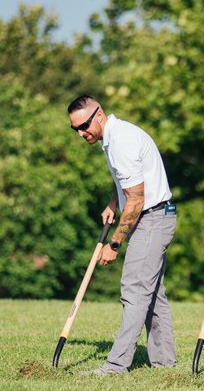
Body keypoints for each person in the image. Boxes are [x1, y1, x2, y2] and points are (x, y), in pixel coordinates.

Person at [67, 95, 177, 374]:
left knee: (134, 290)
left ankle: (116, 365)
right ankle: (165, 364)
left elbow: (138, 201)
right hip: (154, 215)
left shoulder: (121, 142)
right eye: (75, 129)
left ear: (99, 115)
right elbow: (131, 184)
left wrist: (114, 244)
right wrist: (114, 202)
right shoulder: (115, 136)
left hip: (151, 218)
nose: (81, 133)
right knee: (151, 293)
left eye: (84, 126)